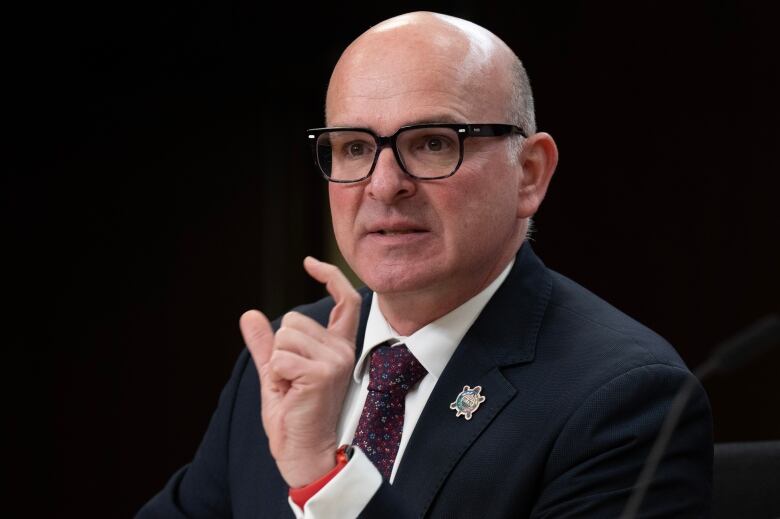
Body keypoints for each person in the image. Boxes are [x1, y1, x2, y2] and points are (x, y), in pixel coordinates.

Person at [139, 11, 713, 518]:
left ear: (530, 173)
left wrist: (328, 478)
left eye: (434, 142)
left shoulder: (625, 398)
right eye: (355, 148)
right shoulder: (286, 357)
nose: (384, 186)